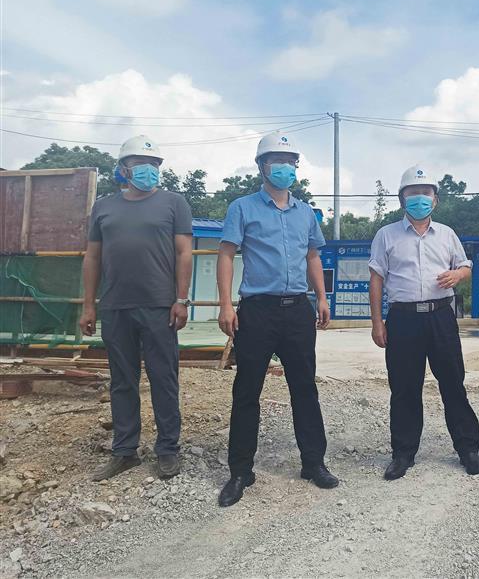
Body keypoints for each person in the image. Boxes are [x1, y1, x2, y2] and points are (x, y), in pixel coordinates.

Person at [216, 131, 338, 507]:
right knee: (247, 390)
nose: (285, 169)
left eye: (290, 162)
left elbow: (313, 256)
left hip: (297, 310)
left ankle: (313, 463)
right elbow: (226, 254)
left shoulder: (305, 213)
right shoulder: (242, 208)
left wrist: (321, 297)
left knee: (304, 388)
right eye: (276, 162)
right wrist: (225, 305)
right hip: (258, 310)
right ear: (261, 166)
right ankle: (240, 471)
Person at [80, 135, 193, 481]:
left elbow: (184, 253)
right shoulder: (103, 207)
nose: (149, 169)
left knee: (164, 378)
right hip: (115, 306)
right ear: (124, 169)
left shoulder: (174, 203)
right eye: (141, 164)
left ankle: (167, 449)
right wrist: (88, 305)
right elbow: (92, 257)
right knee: (122, 381)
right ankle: (125, 451)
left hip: (160, 306)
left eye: (154, 164)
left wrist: (181, 299)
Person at [368, 165, 479, 480]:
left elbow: (465, 267)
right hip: (403, 319)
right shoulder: (386, 235)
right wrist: (377, 322)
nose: (419, 198)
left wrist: (457, 275)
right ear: (402, 198)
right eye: (413, 193)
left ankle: (468, 450)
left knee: (453, 383)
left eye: (425, 193)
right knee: (404, 387)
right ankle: (403, 454)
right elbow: (376, 279)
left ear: (435, 199)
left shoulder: (447, 234)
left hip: (440, 316)